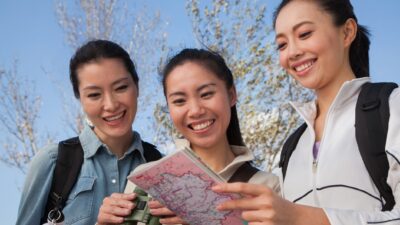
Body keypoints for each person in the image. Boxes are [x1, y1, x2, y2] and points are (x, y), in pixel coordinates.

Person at [212, 0, 400, 225]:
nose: (292, 52)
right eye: (282, 45)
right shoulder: (291, 147)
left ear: (347, 32)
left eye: (304, 33)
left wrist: (303, 217)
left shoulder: (391, 107)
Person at [97, 48, 280, 224]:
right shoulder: (148, 181)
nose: (195, 110)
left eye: (206, 94)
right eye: (179, 101)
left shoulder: (266, 188)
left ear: (231, 95)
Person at [16, 39, 158, 225]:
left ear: (137, 87)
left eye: (121, 87)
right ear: (80, 99)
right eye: (94, 95)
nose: (111, 105)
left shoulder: (160, 168)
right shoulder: (54, 162)